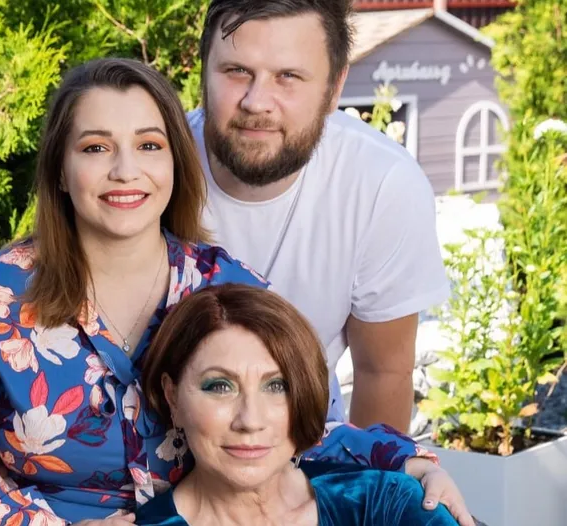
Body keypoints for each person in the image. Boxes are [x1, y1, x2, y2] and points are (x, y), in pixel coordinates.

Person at [0, 58, 469, 526]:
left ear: (175, 162)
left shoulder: (230, 288)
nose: (126, 171)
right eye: (97, 148)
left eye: (149, 145)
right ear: (60, 170)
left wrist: (410, 462)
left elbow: (298, 426)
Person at [190, 0, 450, 432]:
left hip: (303, 444)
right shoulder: (151, 169)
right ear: (204, 73)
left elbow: (382, 372)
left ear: (334, 88)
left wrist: (367, 477)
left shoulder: (382, 184)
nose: (257, 102)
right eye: (236, 71)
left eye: (288, 77)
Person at [138, 283, 461, 526]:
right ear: (172, 397)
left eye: (277, 386)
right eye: (220, 386)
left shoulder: (387, 505)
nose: (250, 420)